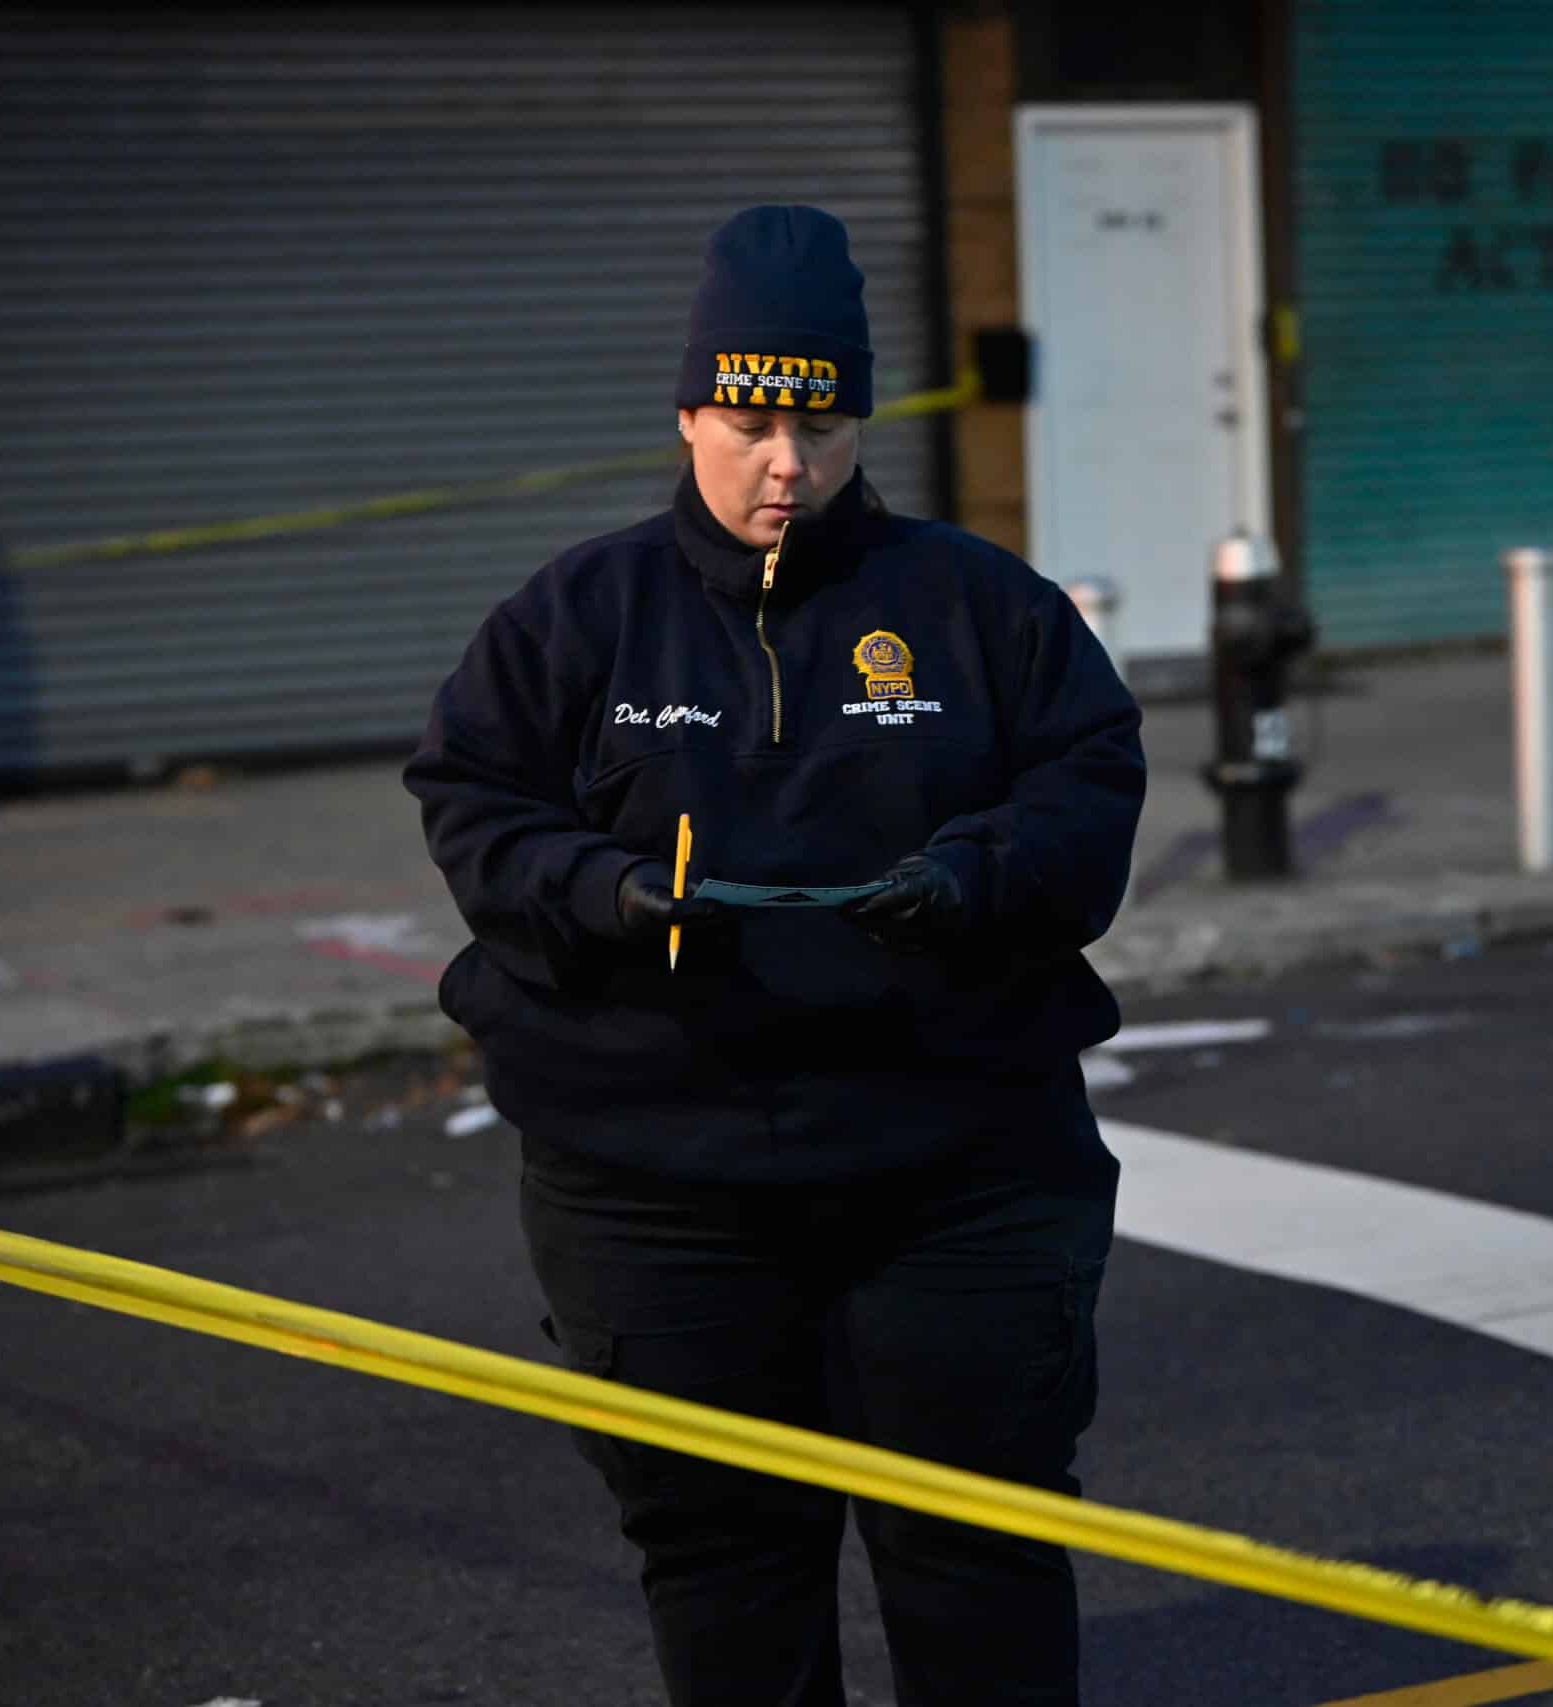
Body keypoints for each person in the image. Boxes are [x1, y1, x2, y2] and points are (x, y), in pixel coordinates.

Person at [402, 204, 1145, 1706]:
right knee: (727, 1557)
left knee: (978, 1545)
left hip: (958, 1174)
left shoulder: (974, 606)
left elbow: (1090, 781)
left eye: (819, 421)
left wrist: (972, 877)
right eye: (748, 421)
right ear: (687, 412)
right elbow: (473, 801)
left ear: (861, 417)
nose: (785, 464)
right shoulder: (578, 616)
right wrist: (603, 894)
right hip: (658, 1187)